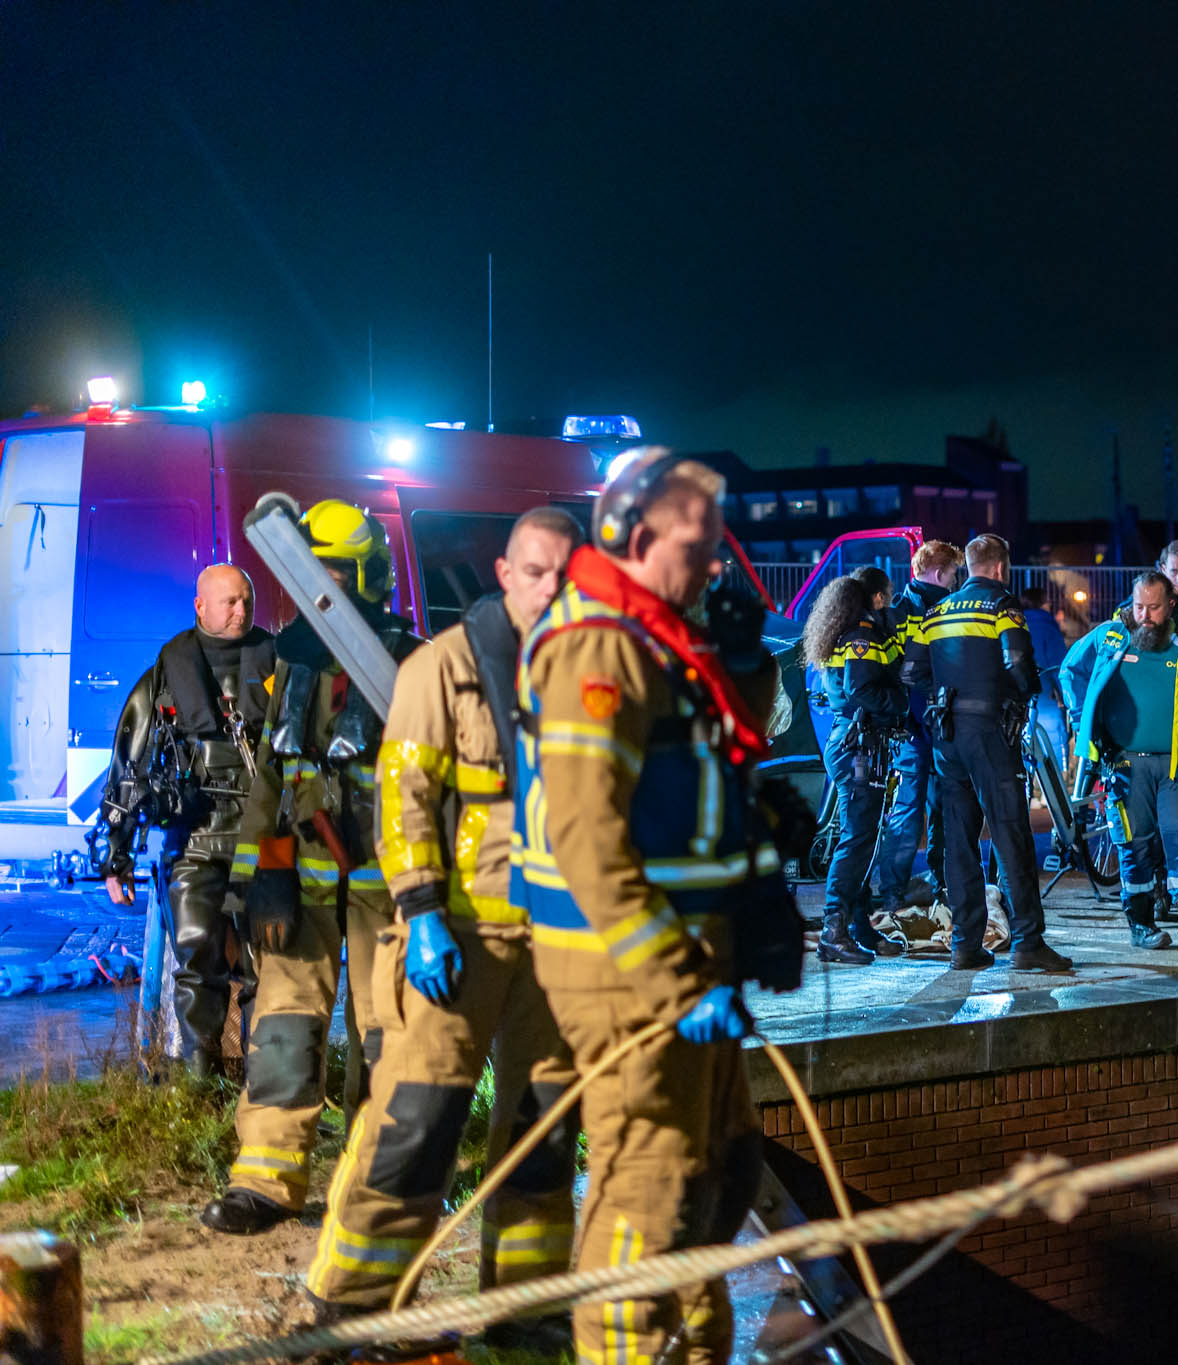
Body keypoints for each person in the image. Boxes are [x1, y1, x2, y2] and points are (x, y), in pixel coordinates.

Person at [510, 448, 797, 1365]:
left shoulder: (658, 632)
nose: (712, 564)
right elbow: (589, 843)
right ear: (635, 537)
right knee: (651, 1186)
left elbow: (720, 745)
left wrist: (747, 659)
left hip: (687, 958)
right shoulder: (597, 646)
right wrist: (679, 980)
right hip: (628, 968)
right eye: (696, 545)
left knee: (719, 1174)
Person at [303, 507, 582, 1337]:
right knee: (416, 1120)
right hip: (457, 939)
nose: (553, 588)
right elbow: (405, 796)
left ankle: (524, 1305)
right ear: (505, 573)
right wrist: (421, 915)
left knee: (543, 1124)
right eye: (537, 572)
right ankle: (351, 1303)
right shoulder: (446, 667)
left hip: (558, 943)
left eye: (568, 575)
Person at [204, 501, 424, 1235]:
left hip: (387, 891)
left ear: (364, 577)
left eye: (330, 572)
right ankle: (265, 1180)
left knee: (387, 1039)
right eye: (310, 571)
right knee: (283, 1029)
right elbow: (272, 779)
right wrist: (262, 875)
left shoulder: (409, 662)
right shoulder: (290, 667)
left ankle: (376, 1183)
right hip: (301, 886)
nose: (315, 588)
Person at [93, 564, 274, 1079]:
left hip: (267, 840)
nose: (241, 611)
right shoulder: (166, 674)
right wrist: (116, 857)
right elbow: (129, 767)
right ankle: (199, 1084)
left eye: (247, 600)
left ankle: (265, 1090)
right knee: (197, 957)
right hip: (194, 838)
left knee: (270, 966)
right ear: (200, 607)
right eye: (229, 603)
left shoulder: (278, 663)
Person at [904, 534, 1072, 972]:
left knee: (958, 841)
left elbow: (911, 670)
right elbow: (1020, 665)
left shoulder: (936, 611)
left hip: (946, 736)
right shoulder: (1002, 607)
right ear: (1000, 568)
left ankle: (964, 944)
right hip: (990, 734)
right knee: (1010, 833)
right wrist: (1024, 689)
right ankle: (1028, 944)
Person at [1060, 571, 1178, 951]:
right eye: (1138, 607)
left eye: (1153, 608)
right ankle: (1142, 924)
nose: (1145, 616)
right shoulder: (1109, 636)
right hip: (1124, 765)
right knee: (1134, 845)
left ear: (1170, 605)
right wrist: (1083, 721)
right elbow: (1071, 670)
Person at [805, 571, 910, 965]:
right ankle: (833, 933)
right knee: (856, 841)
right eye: (889, 597)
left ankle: (860, 927)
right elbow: (861, 691)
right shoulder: (863, 635)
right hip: (860, 749)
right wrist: (901, 702)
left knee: (864, 841)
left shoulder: (848, 631)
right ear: (878, 598)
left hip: (858, 746)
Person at [872, 540, 961, 918]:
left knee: (917, 808)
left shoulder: (898, 611)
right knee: (927, 808)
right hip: (927, 726)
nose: (956, 581)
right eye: (954, 574)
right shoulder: (944, 609)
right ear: (940, 574)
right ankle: (921, 887)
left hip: (917, 724)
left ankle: (907, 889)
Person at [1017, 584, 1071, 776]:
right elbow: (1059, 665)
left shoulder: (1016, 622)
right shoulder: (1048, 627)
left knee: (1025, 738)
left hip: (1019, 692)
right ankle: (1053, 780)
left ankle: (1028, 777)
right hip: (1045, 691)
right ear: (1042, 604)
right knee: (1054, 736)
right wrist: (1065, 696)